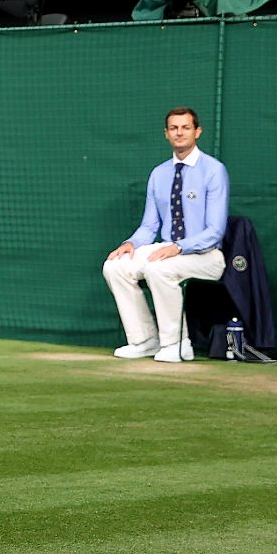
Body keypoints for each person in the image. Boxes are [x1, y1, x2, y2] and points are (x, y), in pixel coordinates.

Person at [101, 107, 230, 363]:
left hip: (207, 256)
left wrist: (180, 247)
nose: (179, 132)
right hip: (168, 249)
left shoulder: (214, 171)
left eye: (185, 127)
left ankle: (178, 344)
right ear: (166, 134)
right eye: (174, 128)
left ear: (197, 132)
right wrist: (130, 244)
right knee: (114, 266)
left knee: (158, 269)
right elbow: (149, 226)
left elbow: (215, 232)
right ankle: (144, 340)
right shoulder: (159, 174)